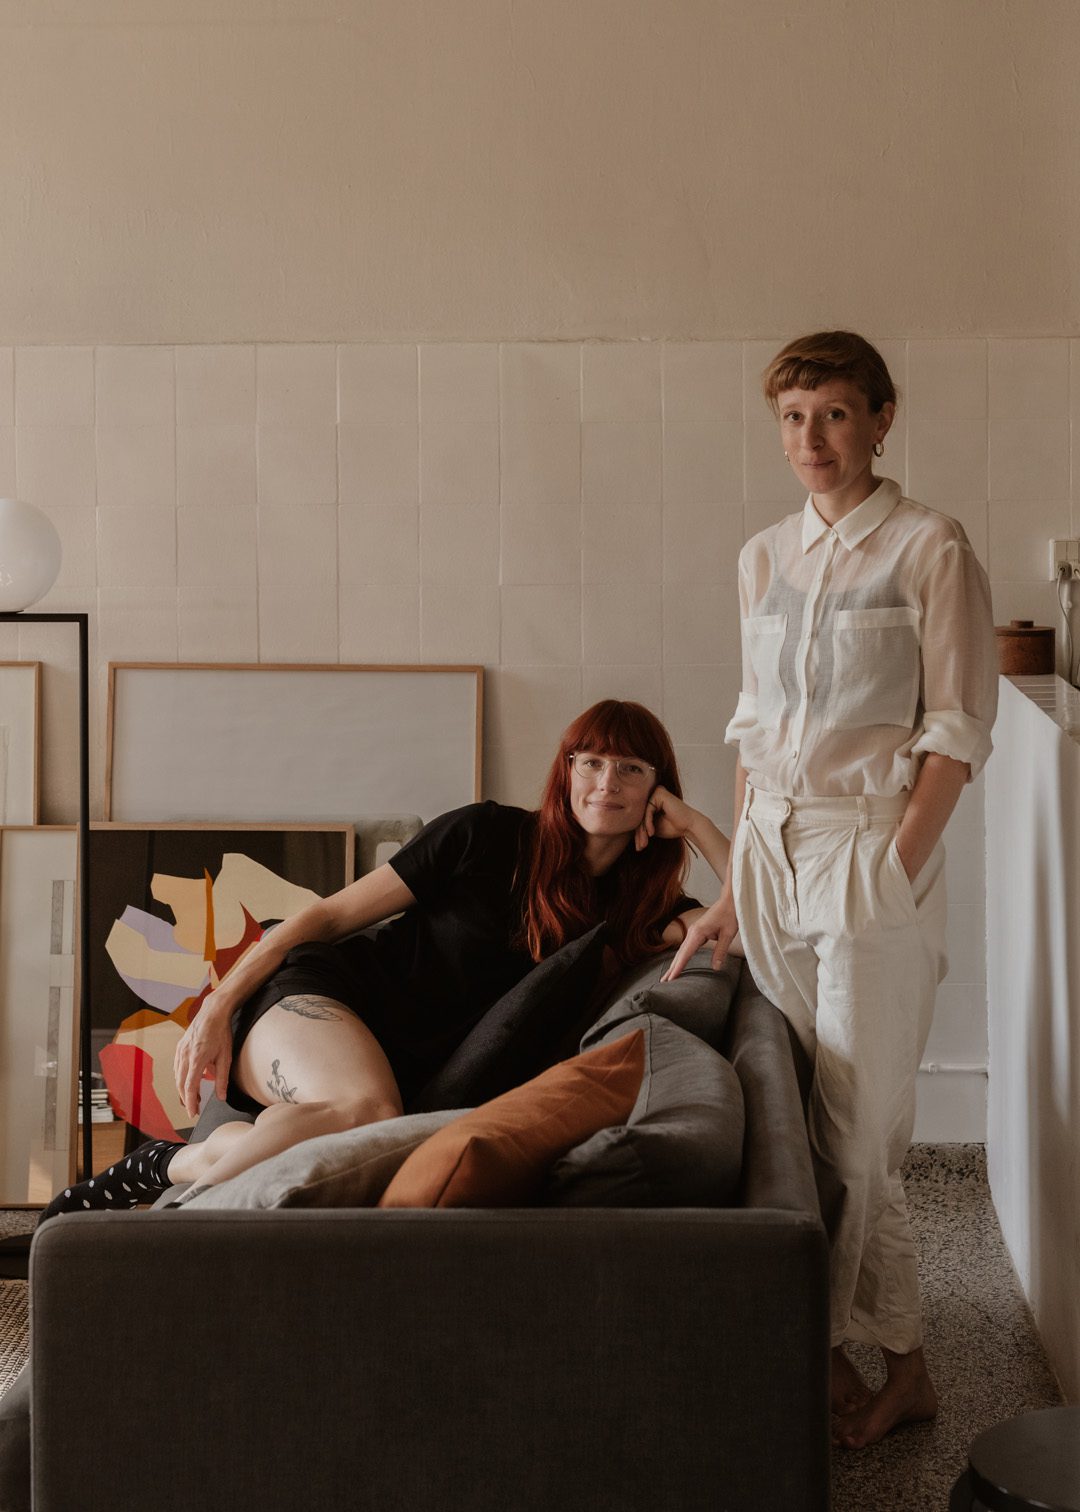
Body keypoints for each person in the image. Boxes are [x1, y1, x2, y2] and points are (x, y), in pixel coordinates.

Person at [664, 331, 997, 1449]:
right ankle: (900, 1364)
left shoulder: (930, 546)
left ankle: (818, 1351)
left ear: (881, 420)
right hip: (769, 851)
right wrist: (733, 883)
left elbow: (957, 732)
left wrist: (893, 867)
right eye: (794, 418)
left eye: (836, 414)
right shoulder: (763, 557)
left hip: (864, 852)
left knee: (860, 1136)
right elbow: (752, 730)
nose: (812, 439)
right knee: (816, 1119)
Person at [42, 699, 730, 1218]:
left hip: (390, 1072)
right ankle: (161, 1234)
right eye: (592, 762)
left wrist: (699, 826)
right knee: (367, 1110)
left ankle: (165, 1166)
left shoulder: (640, 914)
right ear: (567, 770)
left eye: (631, 768)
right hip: (320, 999)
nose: (607, 782)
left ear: (657, 789)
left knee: (324, 1124)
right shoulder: (486, 833)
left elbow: (755, 926)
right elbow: (326, 917)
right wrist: (219, 1003)